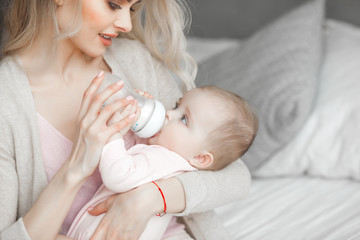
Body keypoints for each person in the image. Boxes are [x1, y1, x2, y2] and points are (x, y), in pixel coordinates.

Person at [0, 0, 252, 239]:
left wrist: (154, 197)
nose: (127, 25)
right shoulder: (7, 101)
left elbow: (234, 174)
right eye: (113, 4)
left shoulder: (133, 60)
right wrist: (75, 168)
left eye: (132, 8)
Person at [67, 86, 258, 240]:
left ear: (201, 158)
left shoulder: (165, 160)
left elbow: (118, 175)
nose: (169, 113)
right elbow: (137, 160)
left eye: (184, 119)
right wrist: (136, 123)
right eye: (177, 106)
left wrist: (114, 134)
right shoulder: (172, 160)